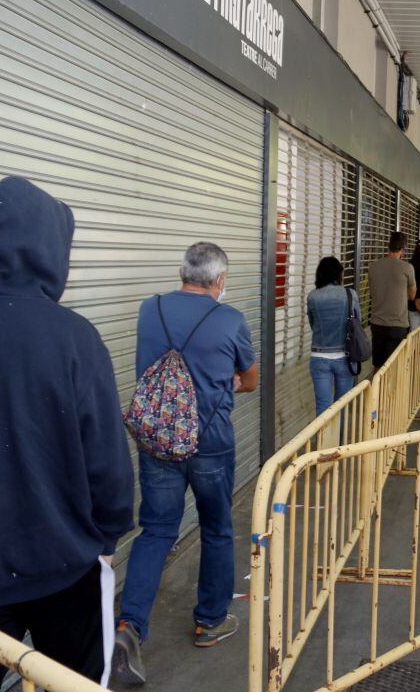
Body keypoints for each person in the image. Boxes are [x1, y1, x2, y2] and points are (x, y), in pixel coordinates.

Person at [0, 176, 134, 691]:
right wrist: (108, 533)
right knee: (77, 683)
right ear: (50, 251)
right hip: (66, 567)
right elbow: (106, 460)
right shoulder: (74, 338)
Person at [114, 241, 258, 683]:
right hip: (210, 444)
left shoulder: (148, 309)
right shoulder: (230, 319)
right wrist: (225, 378)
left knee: (156, 530)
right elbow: (249, 380)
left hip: (157, 442)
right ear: (218, 280)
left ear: (182, 273)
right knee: (216, 529)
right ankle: (210, 622)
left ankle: (129, 626)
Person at [306, 257, 360, 416]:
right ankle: (340, 441)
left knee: (323, 407)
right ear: (339, 274)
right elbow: (358, 323)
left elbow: (313, 323)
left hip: (319, 357)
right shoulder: (350, 294)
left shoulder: (313, 296)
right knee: (341, 407)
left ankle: (324, 441)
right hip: (345, 357)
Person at [368, 231, 417, 368]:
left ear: (388, 246)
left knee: (378, 365)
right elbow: (413, 295)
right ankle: (392, 390)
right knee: (394, 366)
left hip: (377, 323)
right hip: (398, 325)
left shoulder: (373, 266)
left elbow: (373, 293)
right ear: (403, 249)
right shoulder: (407, 268)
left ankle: (377, 390)